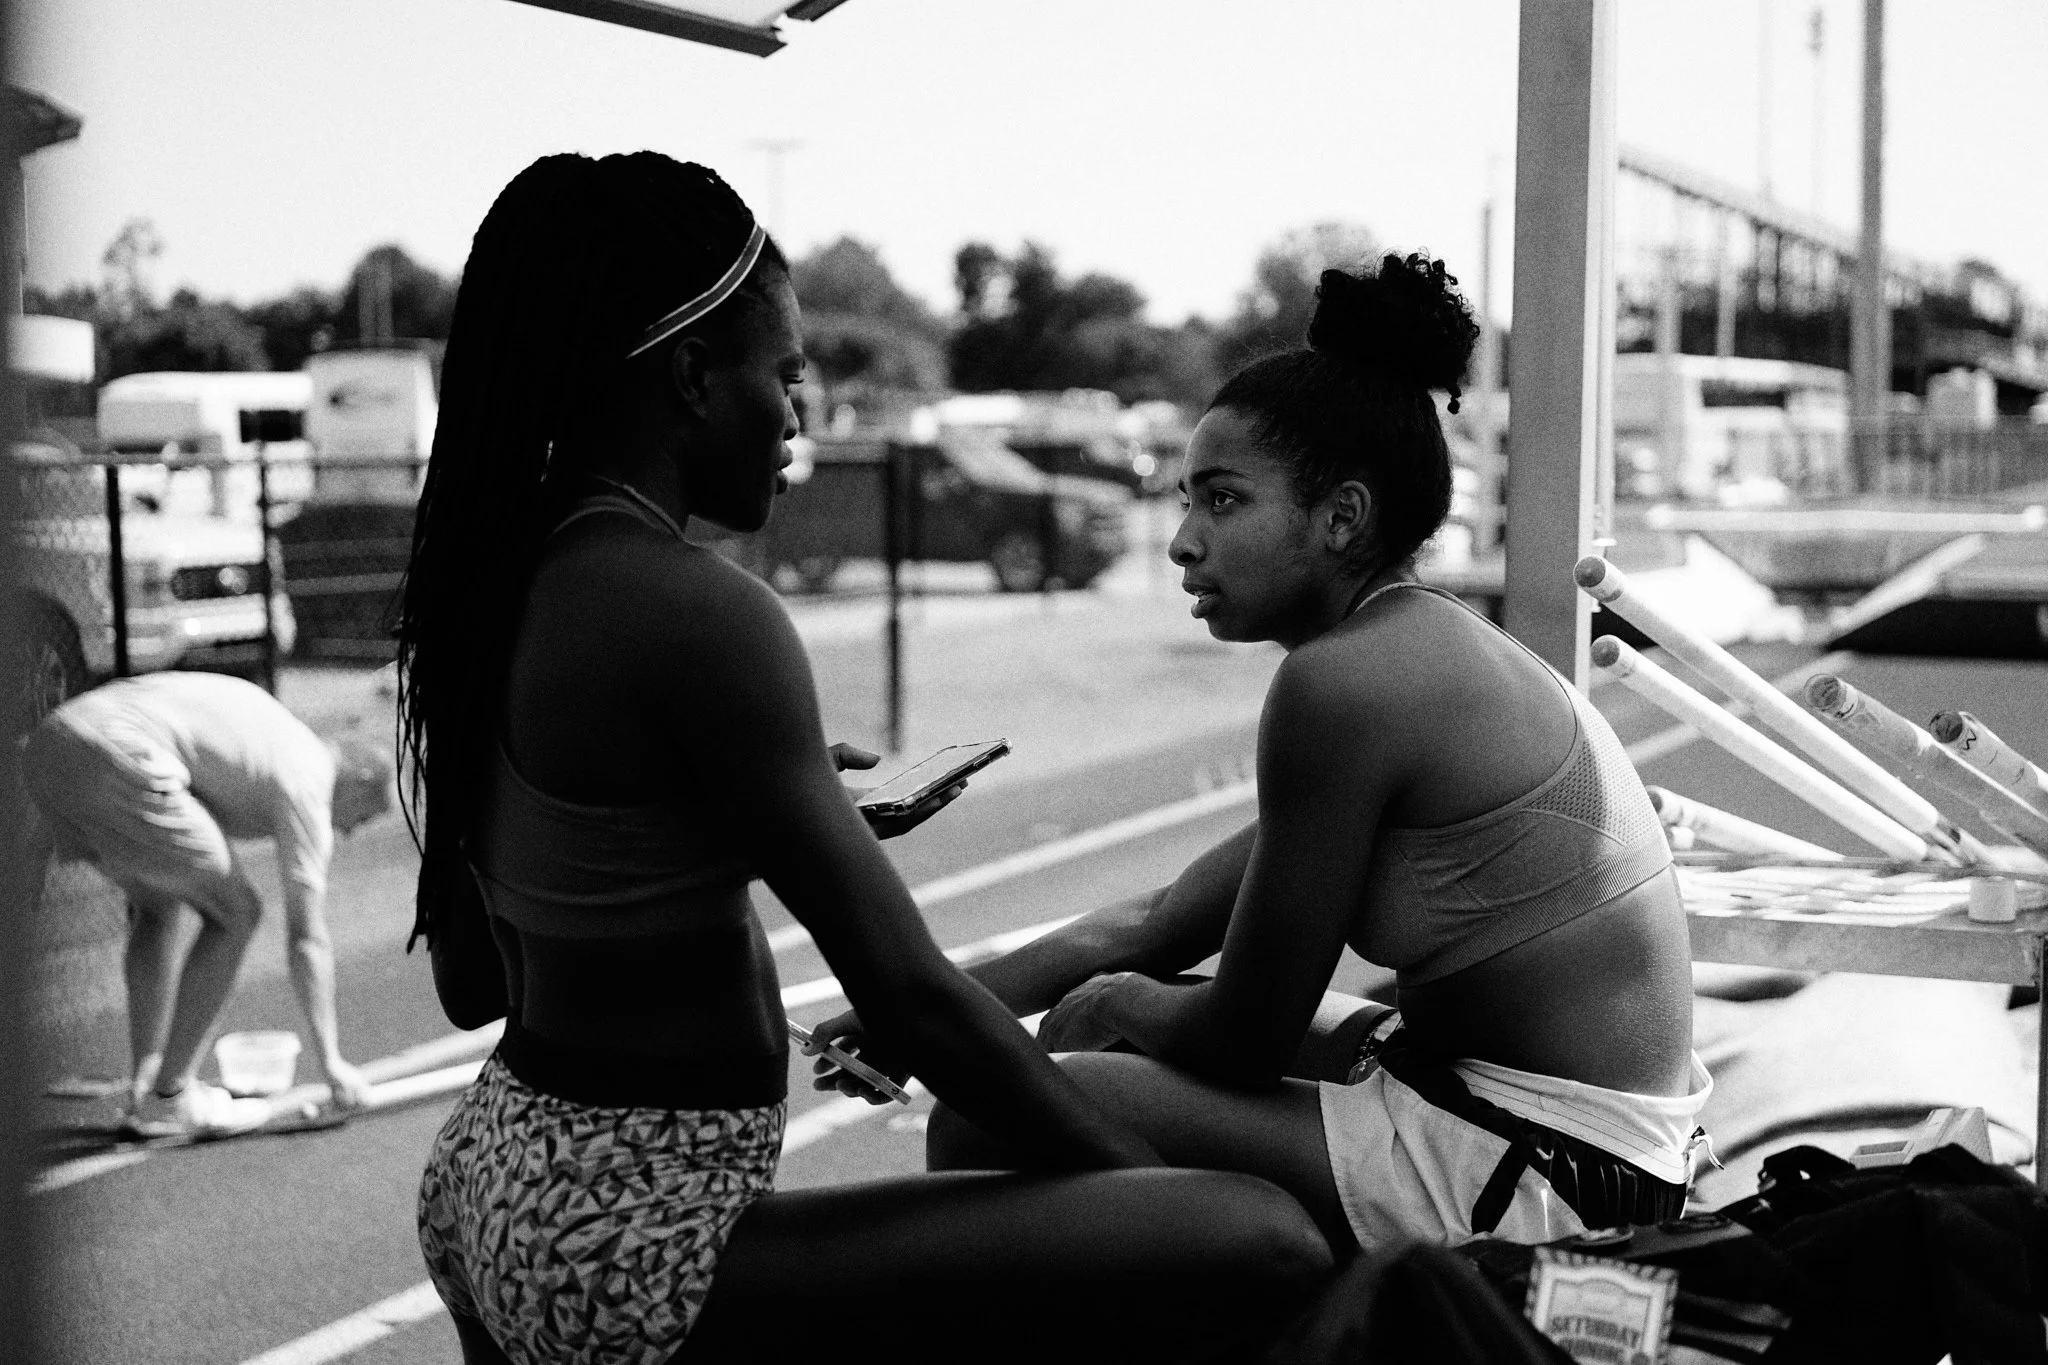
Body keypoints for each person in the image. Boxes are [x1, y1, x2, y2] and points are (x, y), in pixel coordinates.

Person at [397, 152, 1330, 1365]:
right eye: (783, 372)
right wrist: (1144, 1191)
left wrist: (719, 826)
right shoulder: (695, 610)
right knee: (1255, 1239)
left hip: (495, 1177)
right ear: (690, 377)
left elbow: (478, 980)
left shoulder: (506, 584)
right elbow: (910, 1000)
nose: (801, 412)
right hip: (636, 1226)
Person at [820, 252, 1713, 1254]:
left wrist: (1107, 1006)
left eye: (1223, 501)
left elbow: (1240, 1036)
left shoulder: (1347, 687)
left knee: (987, 1113)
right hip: (1561, 1136)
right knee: (1081, 1041)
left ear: (1340, 517)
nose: (1181, 542)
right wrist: (912, 1017)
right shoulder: (1411, 647)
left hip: (1555, 1175)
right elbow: (1154, 922)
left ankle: (1249, 1293)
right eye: (1186, 501)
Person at [20, 670, 392, 1136]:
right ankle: (171, 1093)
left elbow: (91, 731)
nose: (351, 833)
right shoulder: (310, 778)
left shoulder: (275, 734)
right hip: (121, 750)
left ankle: (147, 1081)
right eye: (365, 815)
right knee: (238, 914)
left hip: (50, 743)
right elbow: (306, 938)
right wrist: (333, 1062)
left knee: (156, 905)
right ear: (359, 777)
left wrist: (31, 853)